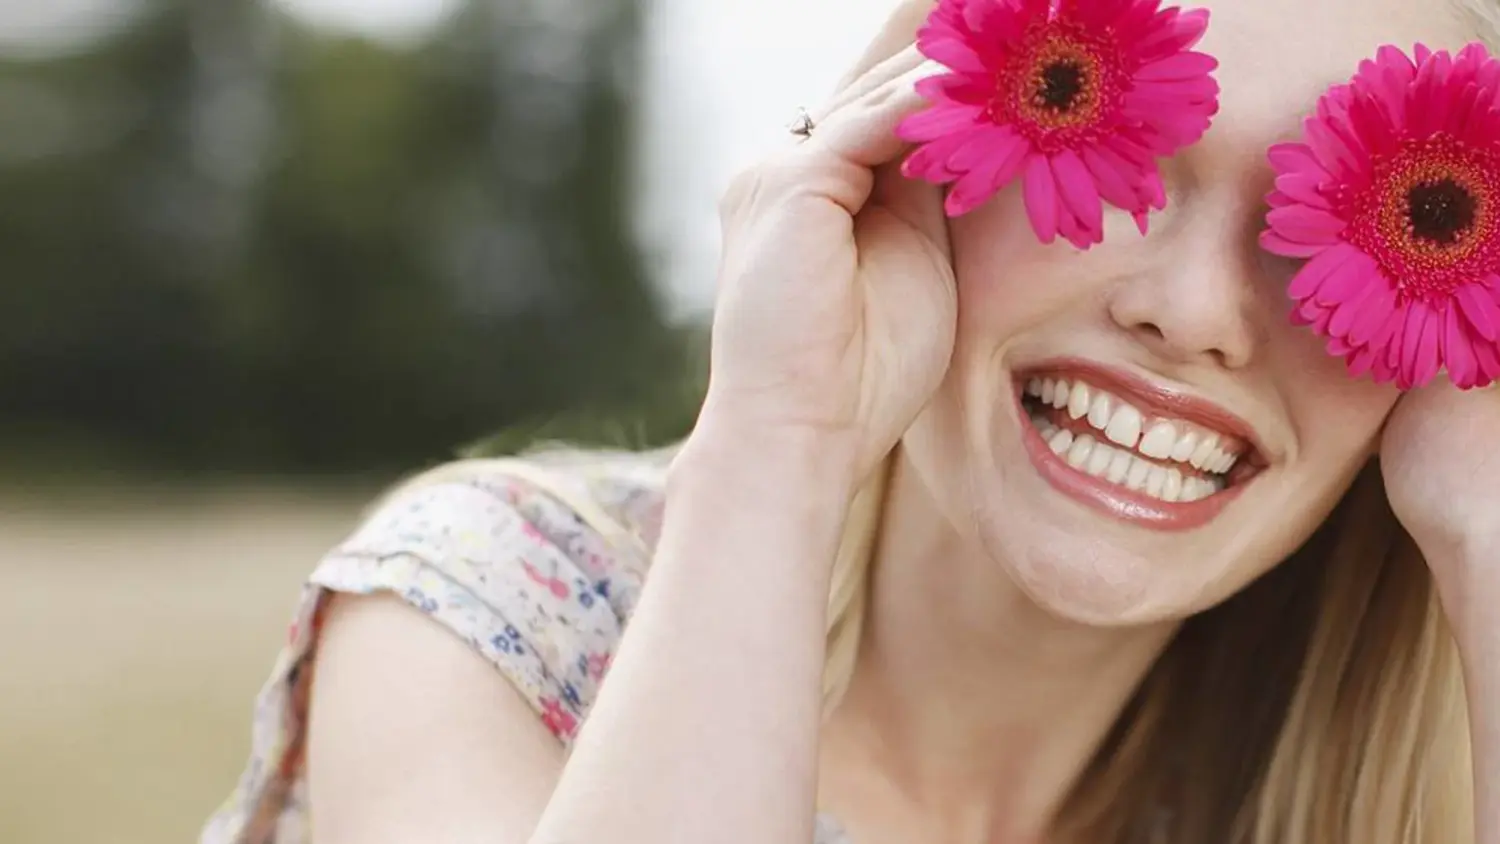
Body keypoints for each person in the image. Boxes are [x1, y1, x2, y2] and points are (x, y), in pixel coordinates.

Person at [201, 0, 1500, 841]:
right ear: (918, 144)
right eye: (1120, 149)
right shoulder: (506, 617)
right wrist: (783, 430)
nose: (1197, 311)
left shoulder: (1371, 802)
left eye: (1338, 229)